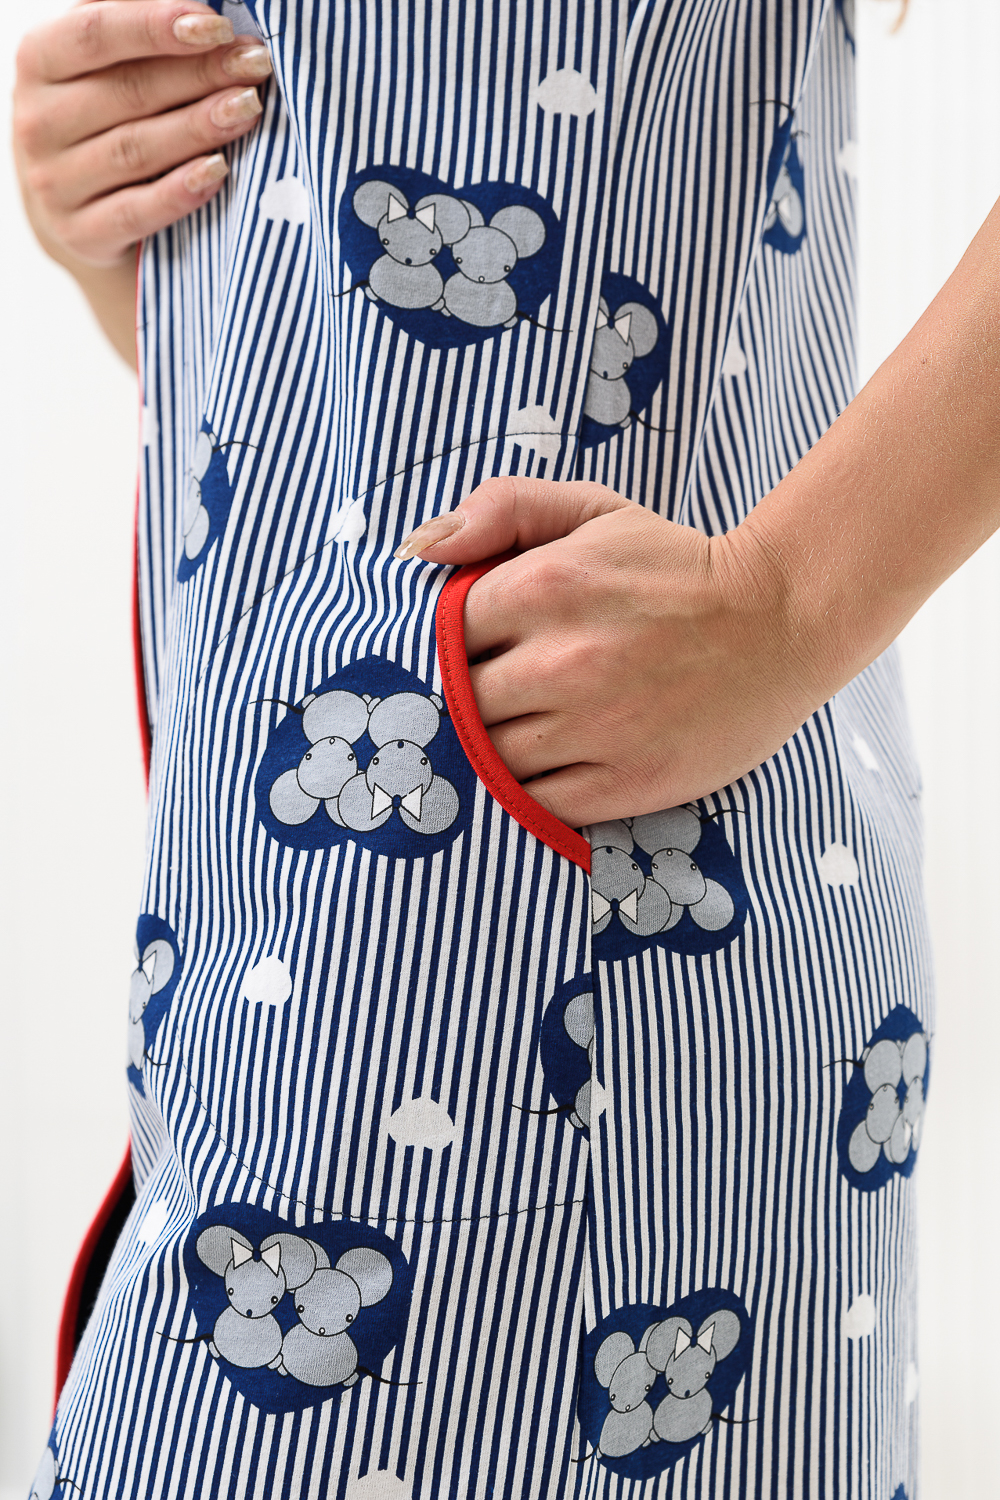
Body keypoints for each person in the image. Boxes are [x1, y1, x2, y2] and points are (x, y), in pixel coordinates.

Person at [12, 0, 993, 1494]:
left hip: (583, 949)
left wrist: (787, 600)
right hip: (264, 927)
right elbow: (370, 376)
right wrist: (123, 218)